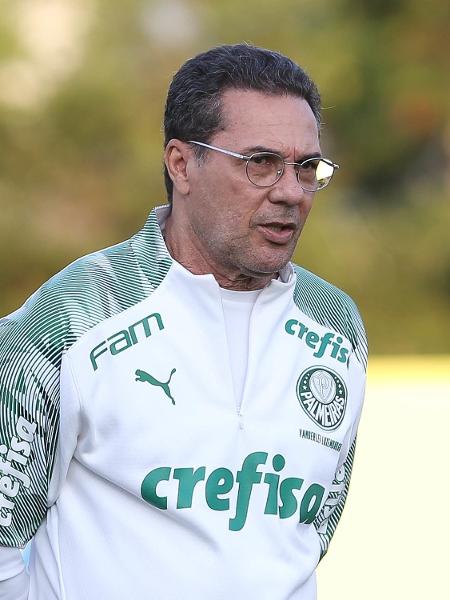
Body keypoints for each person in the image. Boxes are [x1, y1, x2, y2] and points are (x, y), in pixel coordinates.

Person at [0, 44, 367, 599]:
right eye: (260, 162)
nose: (292, 191)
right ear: (181, 163)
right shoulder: (72, 315)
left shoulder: (337, 325)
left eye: (306, 167)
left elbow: (308, 534)